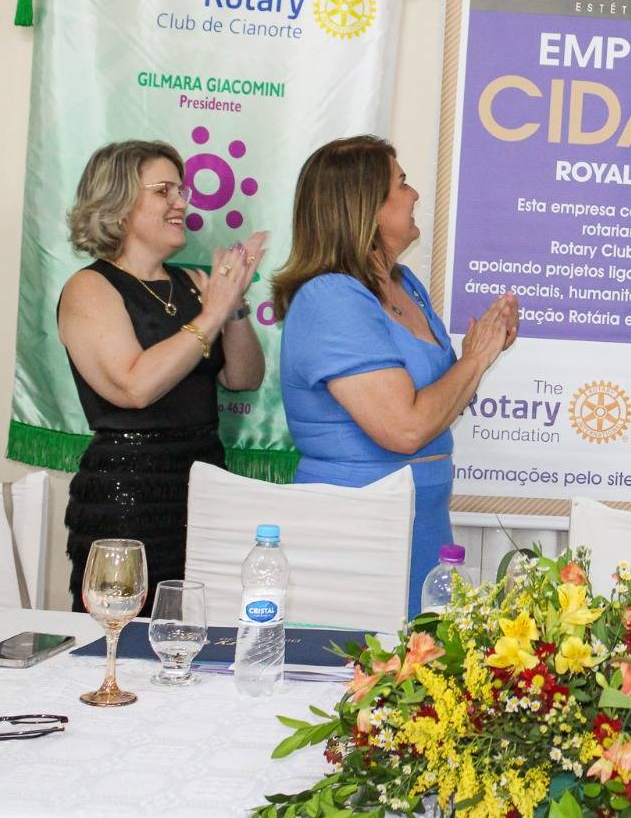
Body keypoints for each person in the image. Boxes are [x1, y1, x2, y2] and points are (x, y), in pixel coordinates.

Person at [273, 136, 518, 616]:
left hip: (424, 519)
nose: (415, 195)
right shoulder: (330, 297)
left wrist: (482, 352)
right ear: (365, 206)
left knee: (426, 656)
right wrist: (475, 358)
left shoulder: (405, 284)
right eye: (401, 184)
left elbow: (436, 407)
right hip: (357, 529)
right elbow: (404, 428)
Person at [58, 140, 266, 614]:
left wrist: (233, 306)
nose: (181, 203)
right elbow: (135, 388)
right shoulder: (89, 287)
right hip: (129, 497)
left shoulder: (192, 282)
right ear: (118, 205)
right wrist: (212, 314)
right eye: (163, 191)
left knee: (199, 631)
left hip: (205, 486)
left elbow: (244, 377)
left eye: (181, 190)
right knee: (123, 632)